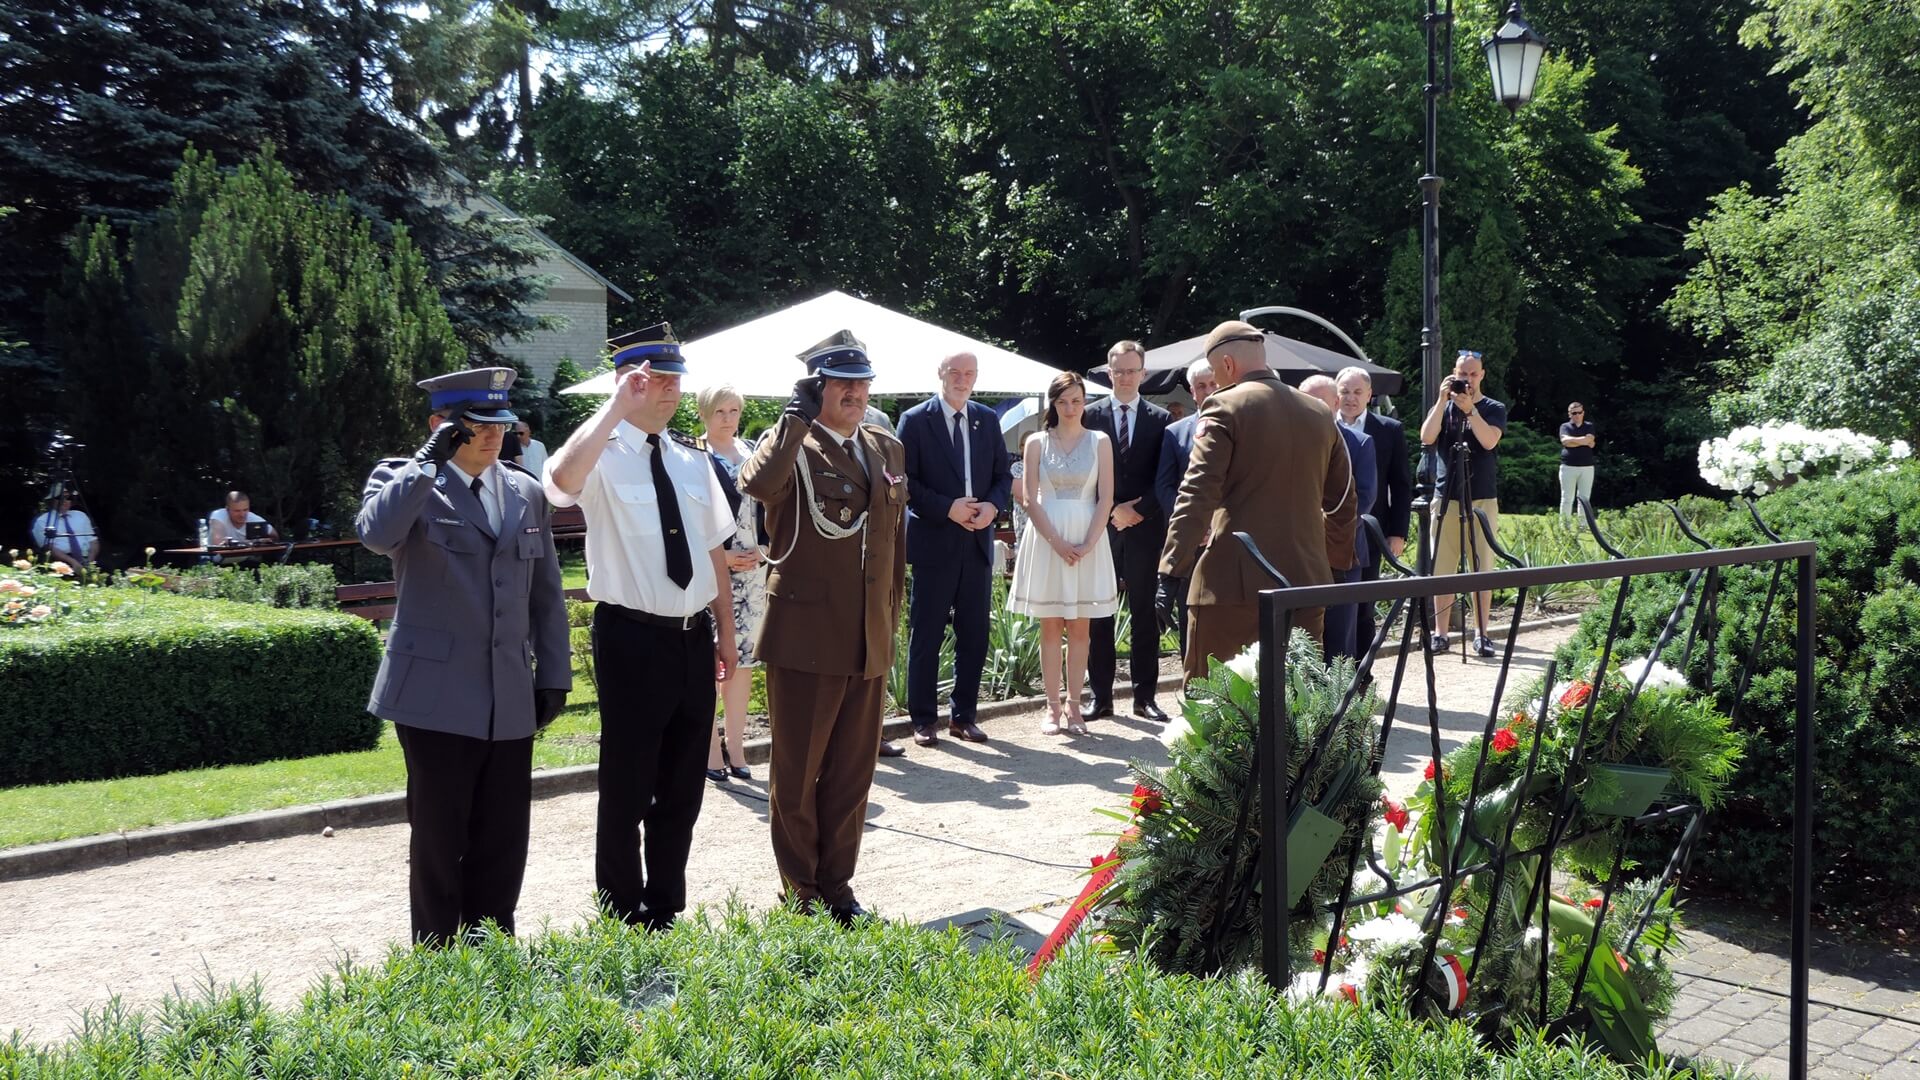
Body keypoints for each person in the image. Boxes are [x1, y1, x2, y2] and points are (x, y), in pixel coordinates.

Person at [355, 366, 571, 946]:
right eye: (475, 425)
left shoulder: (525, 490)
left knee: (503, 835)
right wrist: (425, 462)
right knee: (439, 837)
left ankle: (491, 950)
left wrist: (554, 674)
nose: (492, 435)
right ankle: (438, 959)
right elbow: (376, 534)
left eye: (499, 423)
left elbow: (547, 594)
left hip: (507, 694)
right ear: (441, 426)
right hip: (434, 697)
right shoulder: (405, 480)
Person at [543, 324, 739, 932]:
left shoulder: (690, 459)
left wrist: (726, 634)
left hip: (690, 637)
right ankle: (620, 909)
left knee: (683, 784)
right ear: (631, 383)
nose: (672, 391)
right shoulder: (598, 453)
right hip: (631, 636)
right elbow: (559, 485)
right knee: (627, 782)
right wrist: (612, 408)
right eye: (658, 381)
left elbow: (713, 553)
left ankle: (664, 907)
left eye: (677, 380)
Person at [740, 329, 907, 925]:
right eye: (843, 384)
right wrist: (791, 422)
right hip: (808, 637)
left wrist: (890, 619)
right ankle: (801, 889)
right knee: (798, 770)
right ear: (817, 389)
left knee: (851, 774)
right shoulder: (794, 445)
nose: (856, 394)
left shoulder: (886, 449)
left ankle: (838, 886)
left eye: (863, 383)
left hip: (867, 637)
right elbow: (758, 487)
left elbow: (892, 545)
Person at [1160, 321, 1356, 678]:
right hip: (1306, 583)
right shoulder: (1318, 412)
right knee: (1298, 704)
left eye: (1216, 374)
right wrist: (1335, 565)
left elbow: (1197, 492)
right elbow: (1343, 498)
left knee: (1217, 704)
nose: (1216, 383)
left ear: (1228, 366)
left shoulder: (1224, 405)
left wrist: (1172, 567)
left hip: (1232, 588)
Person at [898, 351, 1013, 747]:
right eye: (955, 373)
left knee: (975, 634)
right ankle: (923, 719)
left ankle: (964, 716)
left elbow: (1003, 474)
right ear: (941, 374)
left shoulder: (987, 418)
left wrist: (993, 507)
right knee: (926, 633)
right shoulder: (915, 421)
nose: (962, 379)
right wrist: (948, 508)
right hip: (934, 542)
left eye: (969, 373)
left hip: (977, 542)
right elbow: (906, 483)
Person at [1008, 372, 1119, 735]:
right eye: (1062, 401)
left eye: (1076, 400)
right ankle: (1051, 708)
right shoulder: (1037, 442)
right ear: (1052, 404)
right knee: (1051, 626)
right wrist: (1057, 542)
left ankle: (1075, 707)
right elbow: (1028, 499)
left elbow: (1106, 498)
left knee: (1081, 627)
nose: (1070, 408)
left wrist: (1088, 543)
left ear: (1084, 401)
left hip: (1089, 537)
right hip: (1047, 539)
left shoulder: (1100, 440)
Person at [1082, 340, 1172, 722]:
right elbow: (1082, 473)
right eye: (1117, 371)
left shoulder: (1161, 418)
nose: (1123, 377)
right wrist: (1110, 512)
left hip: (1145, 527)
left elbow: (1165, 476)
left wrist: (1137, 511)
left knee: (1144, 615)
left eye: (1131, 371)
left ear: (1143, 374)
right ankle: (1100, 698)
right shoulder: (1087, 416)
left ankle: (1144, 698)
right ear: (1108, 372)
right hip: (1099, 528)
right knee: (1098, 614)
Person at [695, 384, 769, 782]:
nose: (728, 418)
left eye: (734, 410)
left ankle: (737, 749)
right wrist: (719, 557)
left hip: (753, 574)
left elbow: (771, 510)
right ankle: (709, 753)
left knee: (742, 665)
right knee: (710, 662)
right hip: (710, 572)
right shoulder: (691, 456)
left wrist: (764, 548)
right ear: (704, 413)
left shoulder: (753, 455)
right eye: (720, 410)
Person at [1419, 349, 1507, 658]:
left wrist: (1471, 411)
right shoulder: (1444, 408)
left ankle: (1481, 633)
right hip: (1446, 496)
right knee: (1442, 569)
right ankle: (1440, 634)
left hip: (1481, 497)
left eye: (1472, 374)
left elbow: (1489, 441)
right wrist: (1442, 400)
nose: (1467, 380)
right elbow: (1427, 438)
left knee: (1481, 568)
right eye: (1462, 374)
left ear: (1482, 375)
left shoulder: (1493, 408)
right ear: (1453, 374)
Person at [1335, 367, 1412, 657]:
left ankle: (1360, 675)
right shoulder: (1323, 426)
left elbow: (1401, 485)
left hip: (1370, 531)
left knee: (1363, 605)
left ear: (1369, 395)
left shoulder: (1389, 430)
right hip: (1327, 532)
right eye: (1345, 391)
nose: (1350, 398)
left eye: (1357, 392)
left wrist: (1397, 533)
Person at [1301, 376, 1377, 663]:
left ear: (1335, 404)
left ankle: (1340, 699)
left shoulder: (1359, 443)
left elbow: (1365, 498)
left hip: (1342, 554)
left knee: (1341, 633)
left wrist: (1319, 527)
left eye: (1318, 402)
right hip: (1299, 554)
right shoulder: (1287, 444)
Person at [1152, 357, 1220, 656]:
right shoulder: (1175, 432)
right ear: (1192, 392)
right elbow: (1164, 487)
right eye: (1201, 386)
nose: (1208, 390)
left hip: (1231, 538)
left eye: (1213, 383)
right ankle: (1192, 688)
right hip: (1189, 543)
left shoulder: (1245, 425)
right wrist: (1193, 525)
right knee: (1189, 613)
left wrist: (1217, 524)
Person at [29, 491, 98, 570]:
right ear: (52, 501)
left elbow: (93, 541)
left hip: (87, 558)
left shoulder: (81, 515)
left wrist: (90, 562)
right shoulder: (43, 521)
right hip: (60, 562)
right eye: (59, 498)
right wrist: (73, 562)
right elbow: (49, 548)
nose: (64, 501)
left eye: (68, 498)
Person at [1559, 402, 1597, 522]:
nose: (1577, 415)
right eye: (1574, 413)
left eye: (1579, 412)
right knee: (1567, 498)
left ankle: (1583, 526)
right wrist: (1584, 441)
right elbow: (1565, 442)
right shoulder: (1565, 427)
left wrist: (1573, 441)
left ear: (1583, 413)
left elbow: (1590, 440)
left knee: (1584, 499)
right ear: (1569, 414)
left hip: (1587, 467)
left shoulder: (1589, 426)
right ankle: (1565, 526)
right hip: (1568, 467)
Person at [207, 491, 279, 546]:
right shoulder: (218, 515)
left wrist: (266, 541)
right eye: (237, 511)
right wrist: (251, 543)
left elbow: (275, 536)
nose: (242, 514)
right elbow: (218, 543)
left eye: (245, 510)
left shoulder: (253, 518)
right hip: (216, 562)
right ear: (227, 509)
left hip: (245, 560)